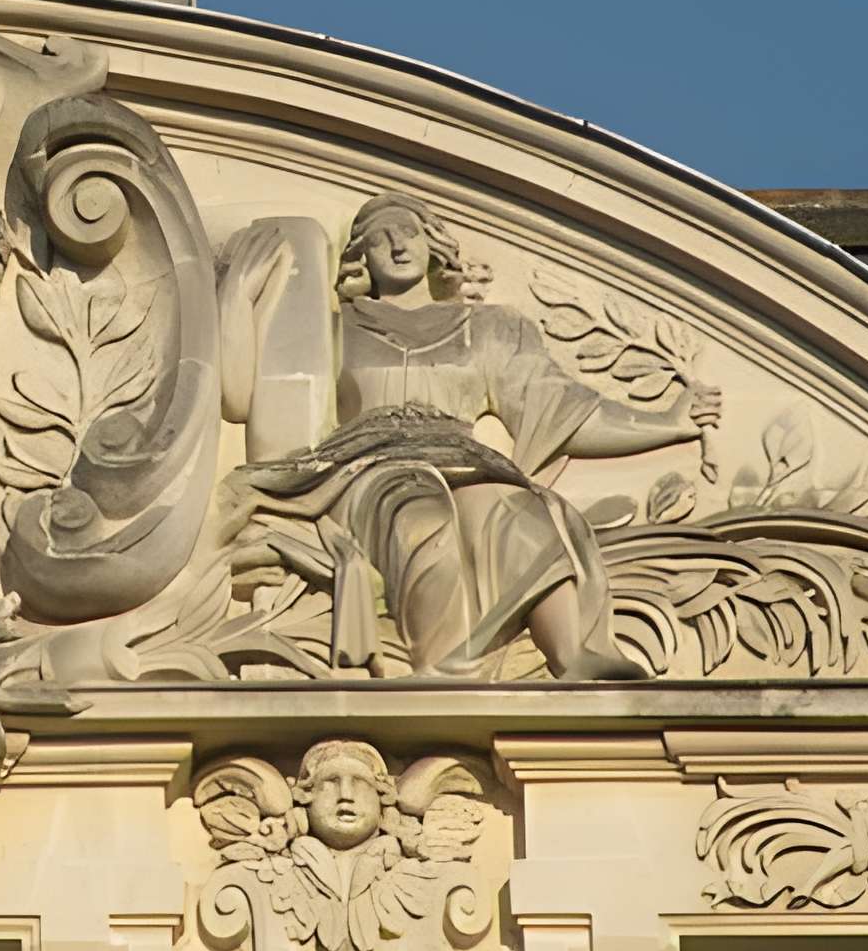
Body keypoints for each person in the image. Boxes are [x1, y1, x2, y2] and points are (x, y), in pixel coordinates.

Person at [223, 195, 716, 680]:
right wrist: (236, 297)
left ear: (434, 246)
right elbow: (238, 395)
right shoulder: (333, 329)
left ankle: (571, 652)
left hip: (461, 454)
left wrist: (669, 423)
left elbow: (561, 409)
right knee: (422, 517)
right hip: (366, 465)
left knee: (514, 508)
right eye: (380, 239)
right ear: (361, 258)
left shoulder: (487, 329)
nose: (397, 246)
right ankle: (439, 672)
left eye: (409, 233)